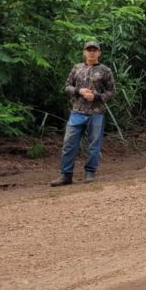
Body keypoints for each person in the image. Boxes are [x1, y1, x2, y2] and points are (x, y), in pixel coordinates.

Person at [52, 41, 116, 186]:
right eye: (89, 50)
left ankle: (90, 173)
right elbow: (67, 86)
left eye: (95, 50)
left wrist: (97, 96)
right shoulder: (77, 68)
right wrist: (78, 91)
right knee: (69, 144)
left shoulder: (105, 71)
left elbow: (112, 91)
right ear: (84, 52)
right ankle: (65, 175)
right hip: (77, 111)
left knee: (94, 144)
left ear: (99, 53)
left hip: (96, 112)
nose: (91, 53)